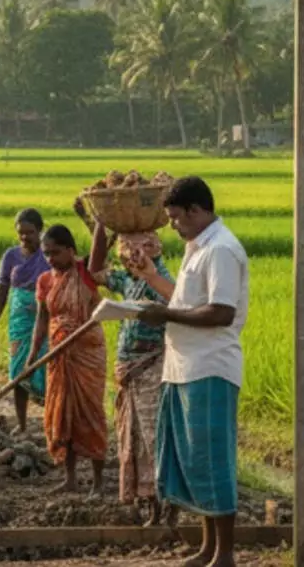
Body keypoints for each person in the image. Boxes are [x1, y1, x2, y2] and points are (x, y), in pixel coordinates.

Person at [139, 176, 248, 567]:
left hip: (210, 367)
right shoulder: (196, 248)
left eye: (176, 218)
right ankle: (207, 548)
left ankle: (226, 554)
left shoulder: (220, 249)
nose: (173, 226)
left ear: (197, 211)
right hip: (184, 367)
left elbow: (221, 311)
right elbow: (187, 301)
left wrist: (164, 314)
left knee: (215, 460)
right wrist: (152, 280)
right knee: (196, 460)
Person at [89, 220, 176, 524]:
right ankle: (147, 504)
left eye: (140, 247)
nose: (132, 254)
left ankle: (167, 507)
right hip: (128, 370)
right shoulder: (128, 279)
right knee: (133, 437)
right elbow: (94, 271)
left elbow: (176, 308)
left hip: (151, 366)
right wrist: (101, 226)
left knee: (154, 439)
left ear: (155, 248)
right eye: (126, 248)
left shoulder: (161, 279)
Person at [28, 224, 109, 497]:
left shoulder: (85, 272)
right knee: (63, 414)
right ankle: (70, 478)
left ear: (70, 251)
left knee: (90, 413)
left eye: (56, 253)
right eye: (46, 254)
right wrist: (32, 355)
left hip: (86, 351)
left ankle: (98, 482)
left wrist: (97, 222)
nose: (51, 259)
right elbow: (42, 319)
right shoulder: (45, 281)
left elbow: (101, 250)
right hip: (58, 352)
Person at [0, 208, 51, 434]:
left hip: (46, 319)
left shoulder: (49, 254)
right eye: (21, 233)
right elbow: (1, 291)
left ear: (40, 231)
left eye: (30, 232)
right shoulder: (11, 256)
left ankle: (50, 424)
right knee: (18, 372)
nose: (25, 237)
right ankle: (22, 424)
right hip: (19, 321)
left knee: (47, 369)